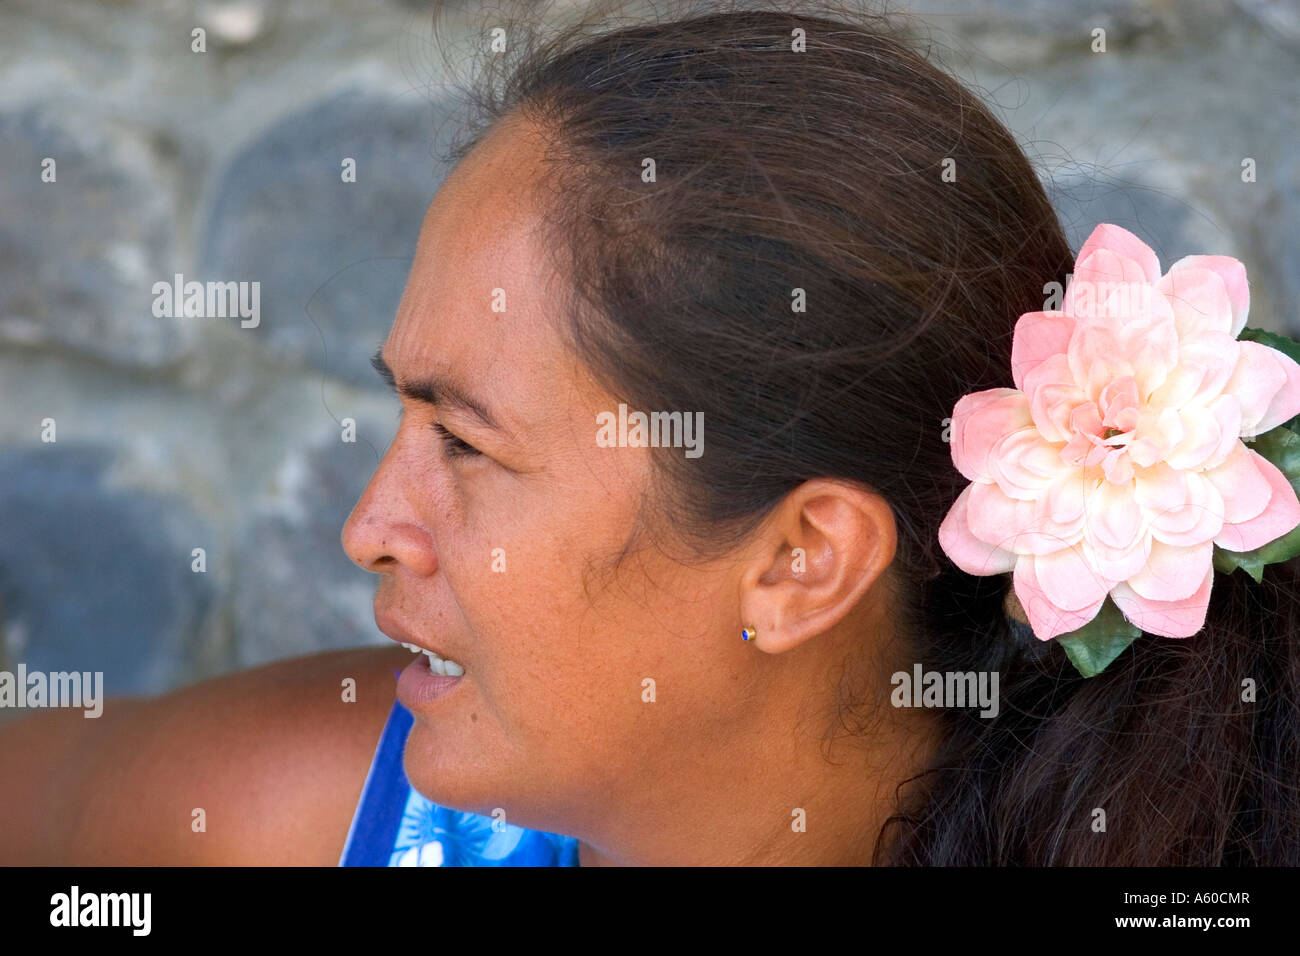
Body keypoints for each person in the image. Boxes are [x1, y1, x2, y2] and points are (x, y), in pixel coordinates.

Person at [3, 2, 1298, 866]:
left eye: (468, 446)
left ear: (800, 562)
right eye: (405, 410)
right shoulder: (302, 809)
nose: (367, 528)